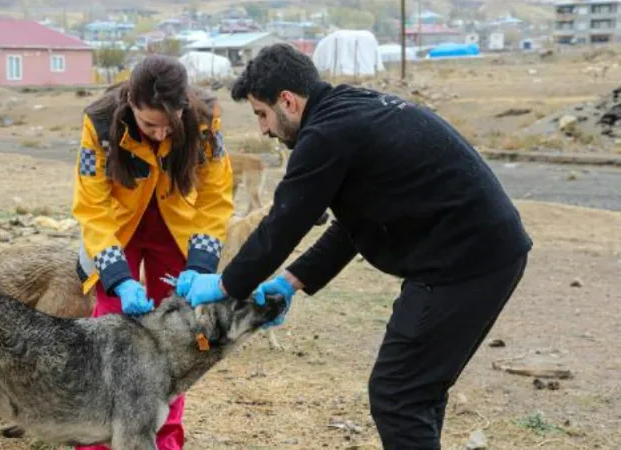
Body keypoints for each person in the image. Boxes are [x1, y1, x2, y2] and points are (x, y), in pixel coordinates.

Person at [176, 43, 533, 449]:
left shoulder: (325, 135)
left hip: (462, 264)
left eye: (261, 114)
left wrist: (225, 286)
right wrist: (291, 282)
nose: (263, 129)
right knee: (416, 392)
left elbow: (283, 224)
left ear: (287, 101)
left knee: (397, 394)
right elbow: (355, 224)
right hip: (481, 252)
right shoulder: (347, 112)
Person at [71, 54, 234, 450]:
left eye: (169, 126)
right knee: (107, 332)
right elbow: (92, 206)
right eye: (148, 125)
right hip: (117, 229)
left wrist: (201, 263)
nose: (160, 135)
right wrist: (119, 279)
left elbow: (215, 195)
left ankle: (165, 437)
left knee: (176, 335)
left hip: (175, 226)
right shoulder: (98, 122)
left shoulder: (205, 119)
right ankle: (95, 438)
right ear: (130, 103)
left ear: (184, 109)